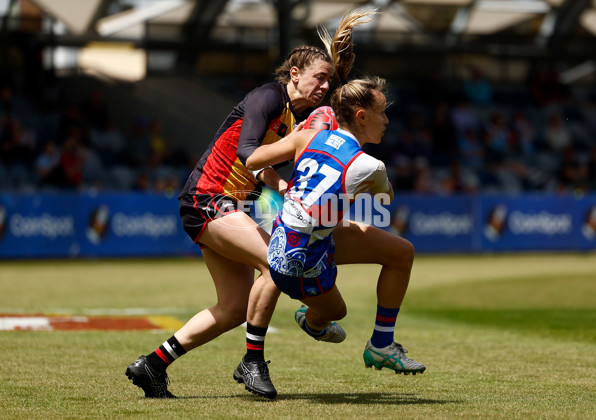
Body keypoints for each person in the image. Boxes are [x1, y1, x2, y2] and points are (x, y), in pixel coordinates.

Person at [125, 9, 377, 399]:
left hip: (229, 206)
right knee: (274, 262)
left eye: (328, 80)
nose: (325, 86)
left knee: (235, 307)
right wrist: (281, 183)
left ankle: (154, 364)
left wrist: (340, 74)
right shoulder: (267, 96)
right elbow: (247, 152)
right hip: (208, 199)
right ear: (294, 73)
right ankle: (252, 362)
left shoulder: (301, 114)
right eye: (318, 77)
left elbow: (332, 109)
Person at [237, 76, 426, 399]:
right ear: (362, 117)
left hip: (292, 235)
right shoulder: (371, 166)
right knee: (336, 313)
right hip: (302, 260)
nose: (387, 120)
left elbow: (252, 159)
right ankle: (312, 320)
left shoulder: (309, 136)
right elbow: (387, 197)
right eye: (382, 112)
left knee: (401, 252)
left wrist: (298, 141)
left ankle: (381, 344)